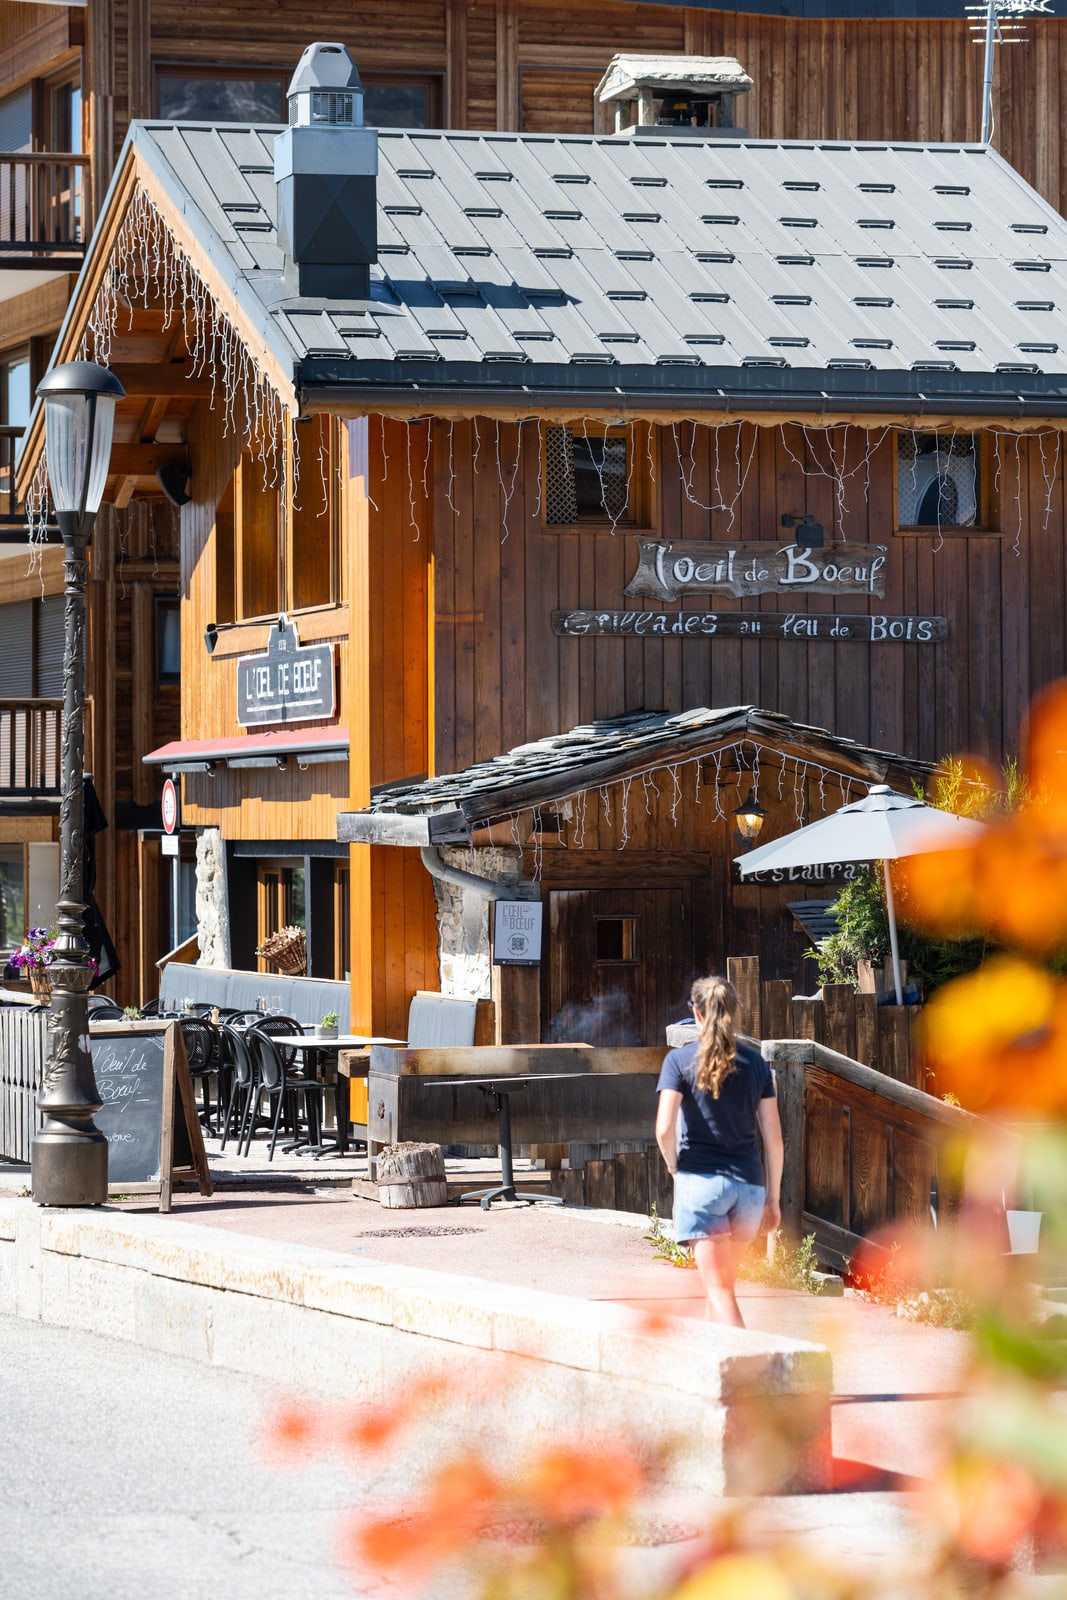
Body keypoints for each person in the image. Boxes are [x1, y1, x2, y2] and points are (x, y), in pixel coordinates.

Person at [655, 975, 783, 1327]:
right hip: (749, 1188)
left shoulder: (679, 1062)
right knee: (722, 1286)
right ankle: (716, 1374)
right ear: (735, 1013)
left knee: (719, 1290)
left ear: (695, 1014)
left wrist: (673, 1165)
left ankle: (749, 1374)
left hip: (701, 1181)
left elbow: (664, 1128)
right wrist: (773, 1200)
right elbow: (774, 1139)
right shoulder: (757, 1065)